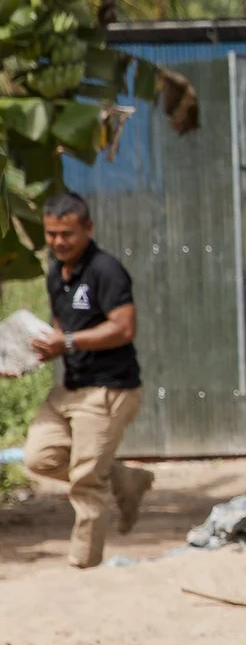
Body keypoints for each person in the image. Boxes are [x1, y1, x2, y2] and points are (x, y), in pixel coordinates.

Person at [15, 193, 152, 566]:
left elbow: (124, 328)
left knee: (86, 480)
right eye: (52, 234)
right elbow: (62, 331)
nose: (59, 242)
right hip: (70, 387)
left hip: (108, 388)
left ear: (88, 229)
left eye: (67, 234)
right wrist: (28, 355)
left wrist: (69, 341)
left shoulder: (105, 270)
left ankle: (85, 561)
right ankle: (126, 479)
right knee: (39, 458)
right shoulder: (56, 274)